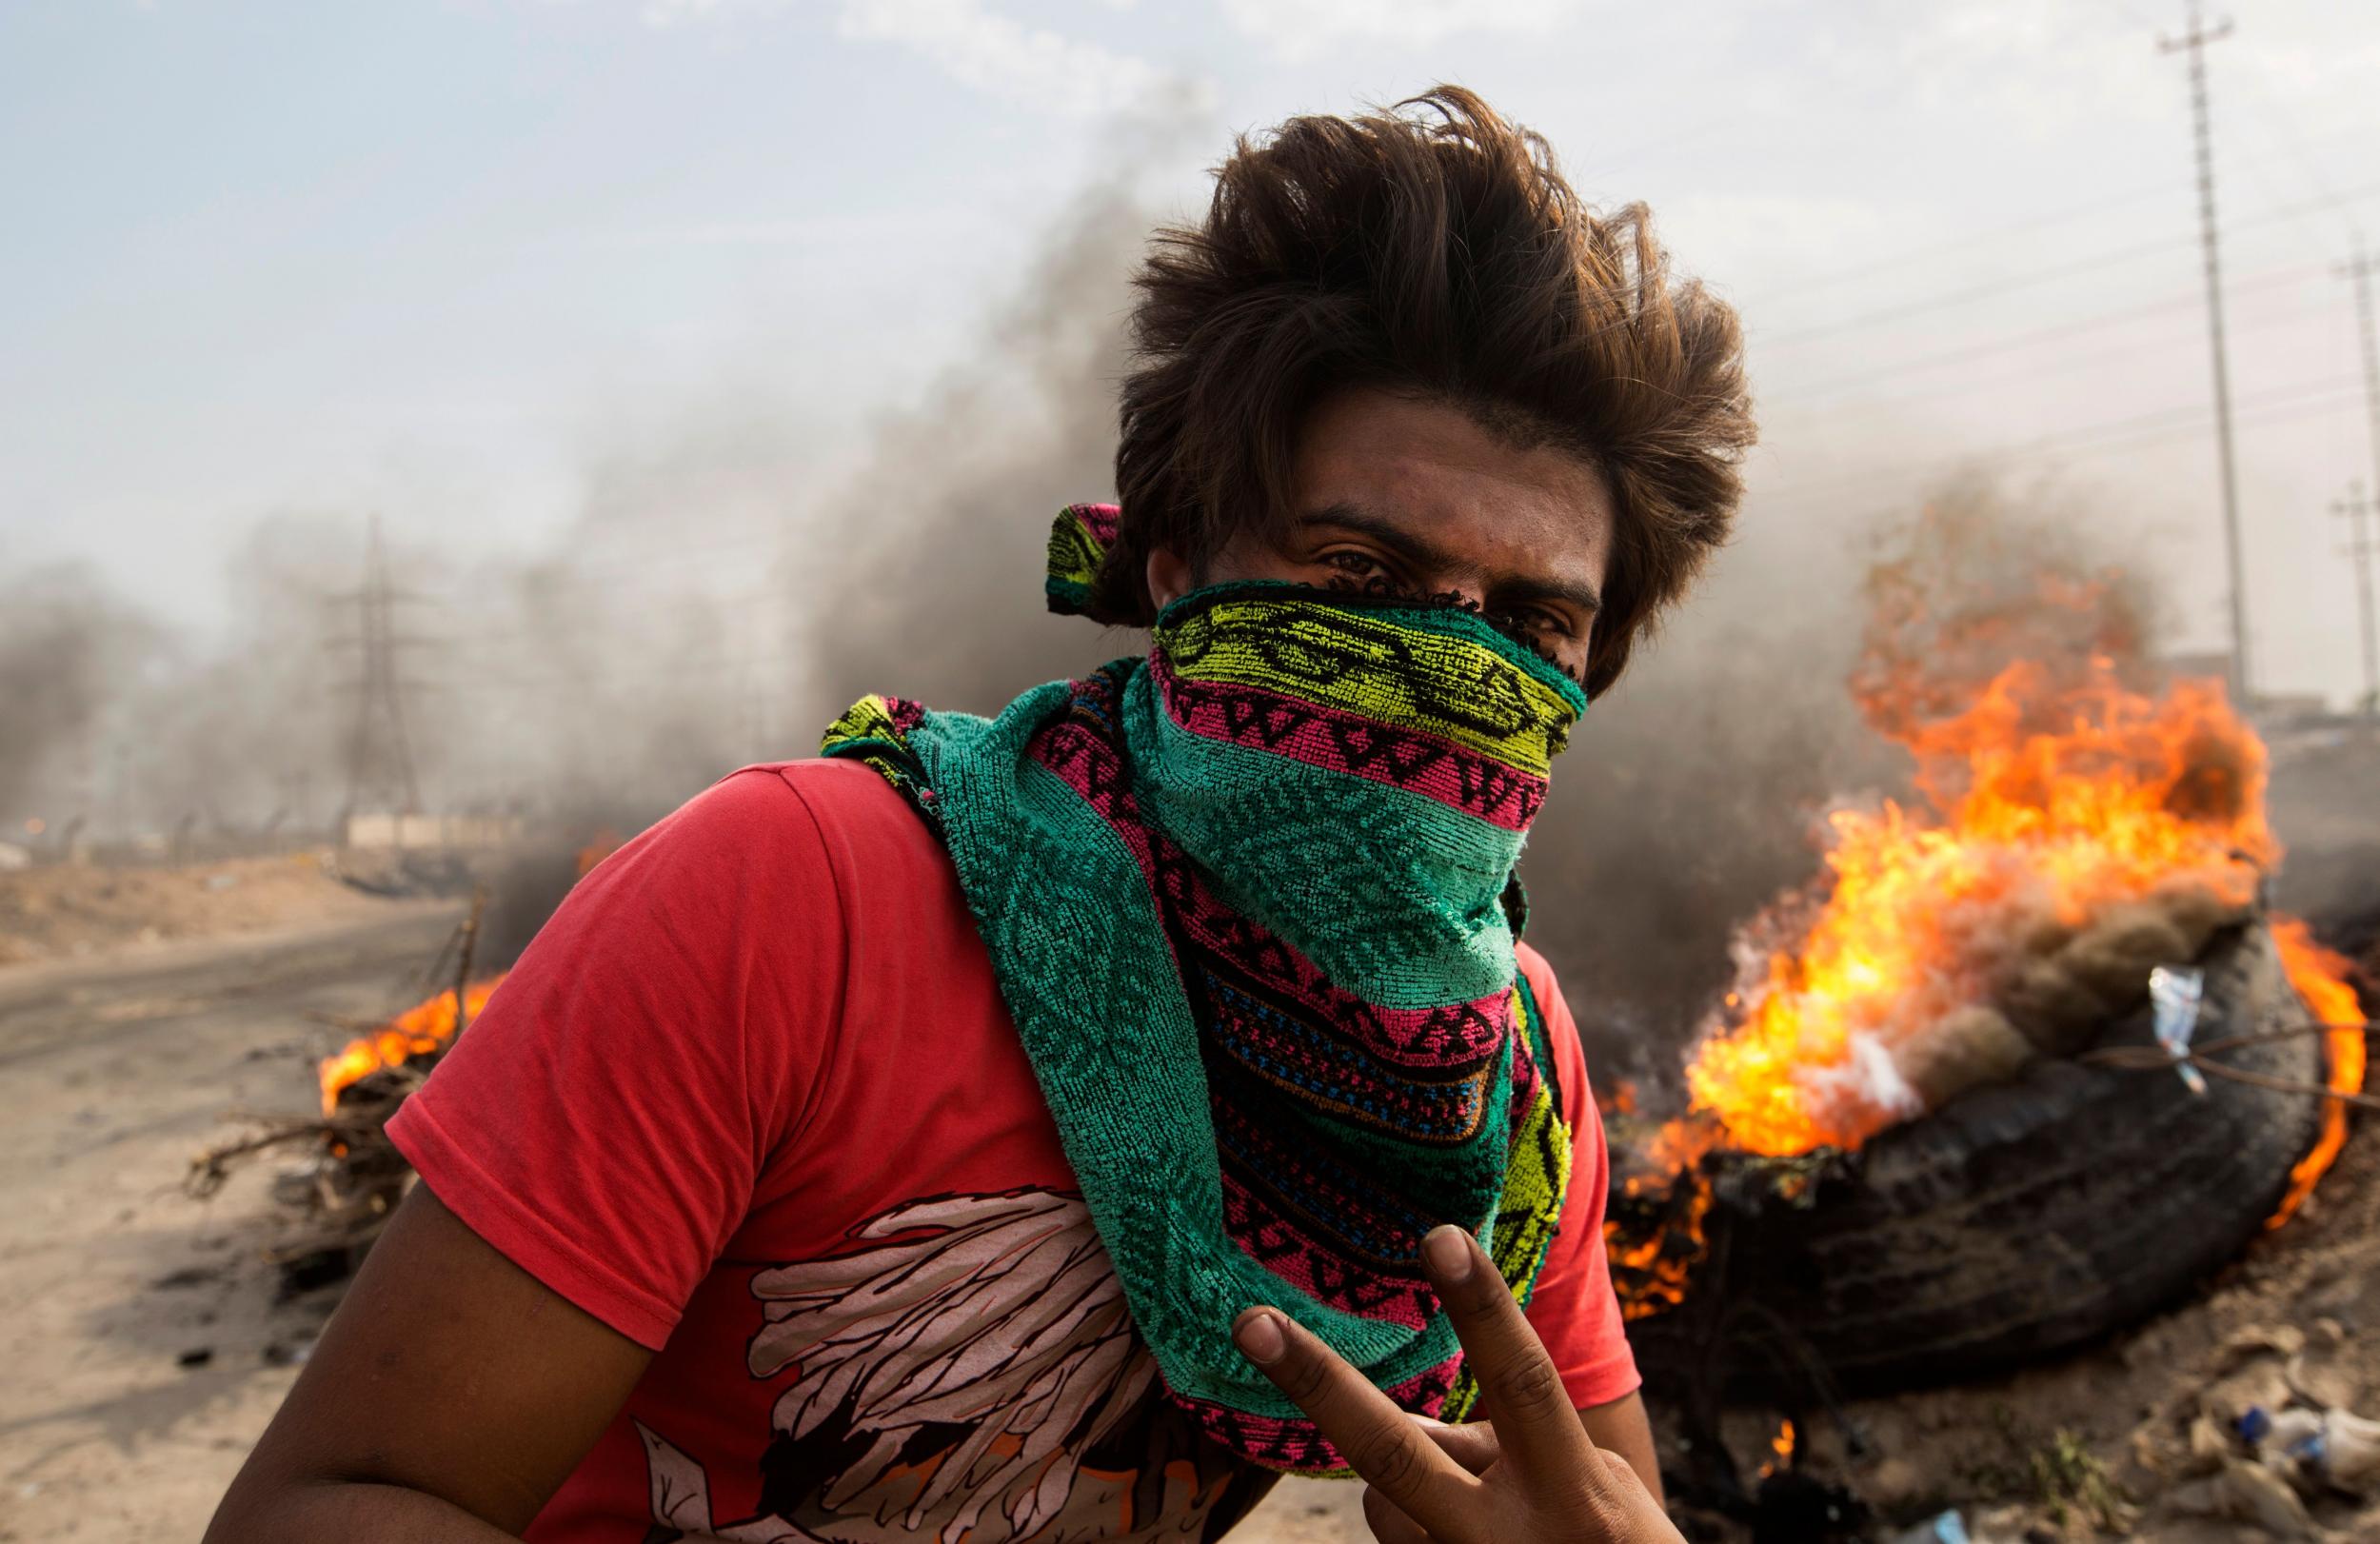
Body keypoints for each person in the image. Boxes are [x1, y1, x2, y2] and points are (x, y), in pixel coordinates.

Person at [208, 86, 1753, 1543]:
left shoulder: (1503, 1085)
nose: (1447, 675)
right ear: (1174, 568)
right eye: (1359, 579)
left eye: (1531, 631)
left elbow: (1597, 1509)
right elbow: (332, 1502)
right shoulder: (796, 902)